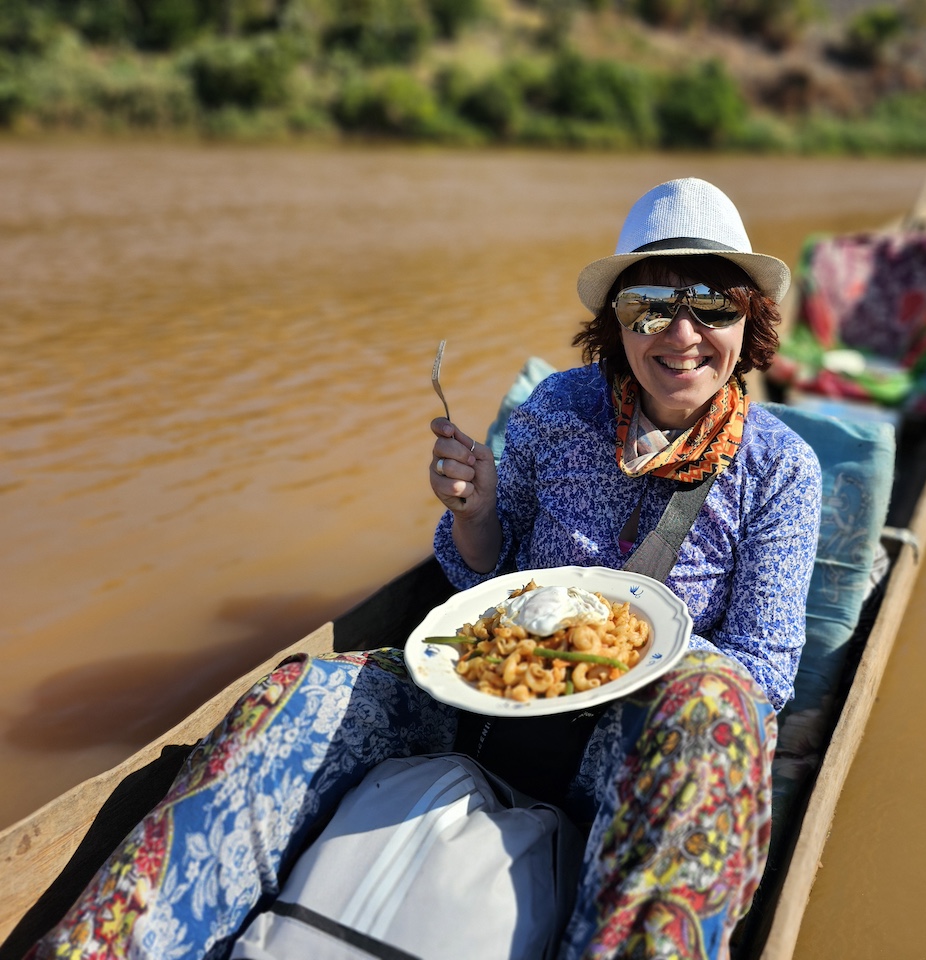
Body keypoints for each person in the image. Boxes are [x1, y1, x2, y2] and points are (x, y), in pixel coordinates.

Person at [30, 179, 821, 960]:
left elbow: (766, 668)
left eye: (712, 305)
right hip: (481, 697)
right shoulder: (558, 407)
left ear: (748, 319)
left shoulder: (781, 468)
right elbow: (488, 573)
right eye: (652, 304)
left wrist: (621, 667)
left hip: (625, 742)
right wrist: (475, 509)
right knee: (296, 688)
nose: (682, 334)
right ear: (618, 323)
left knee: (719, 705)